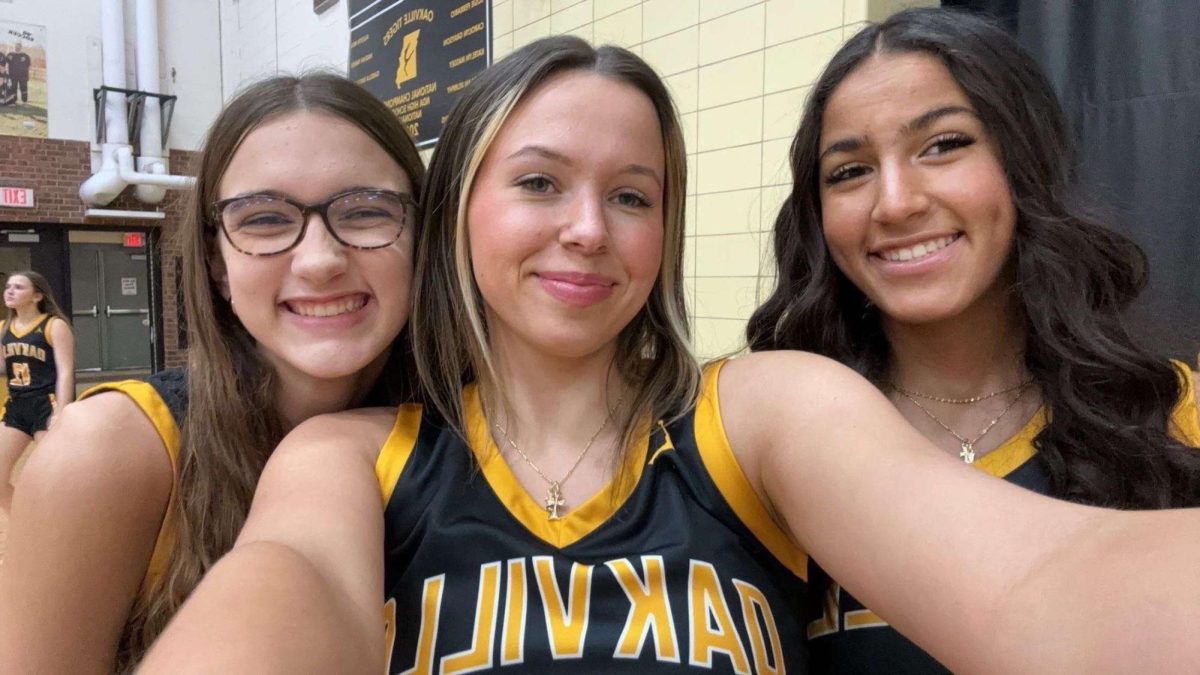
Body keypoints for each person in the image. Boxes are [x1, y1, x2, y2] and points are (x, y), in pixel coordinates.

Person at [140, 37, 1200, 674]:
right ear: (458, 207)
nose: (589, 230)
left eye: (633, 196)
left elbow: (1038, 583)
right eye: (541, 183)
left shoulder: (766, 413)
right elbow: (285, 590)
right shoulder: (348, 457)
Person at [742, 8, 1200, 672]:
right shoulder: (764, 445)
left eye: (943, 145)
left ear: (1023, 160)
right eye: (850, 171)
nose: (894, 202)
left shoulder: (1171, 413)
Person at [0, 73, 424, 672]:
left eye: (366, 212)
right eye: (265, 220)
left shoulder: (470, 432)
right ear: (216, 264)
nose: (321, 260)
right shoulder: (106, 453)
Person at [0, 271, 74, 514]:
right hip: (16, 405)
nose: (10, 291)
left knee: (51, 480)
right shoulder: (3, 328)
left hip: (46, 404)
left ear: (37, 296)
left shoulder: (53, 325)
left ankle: (65, 528)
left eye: (19, 287)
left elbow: (65, 371)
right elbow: (3, 367)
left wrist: (61, 412)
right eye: (8, 286)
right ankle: (24, 527)